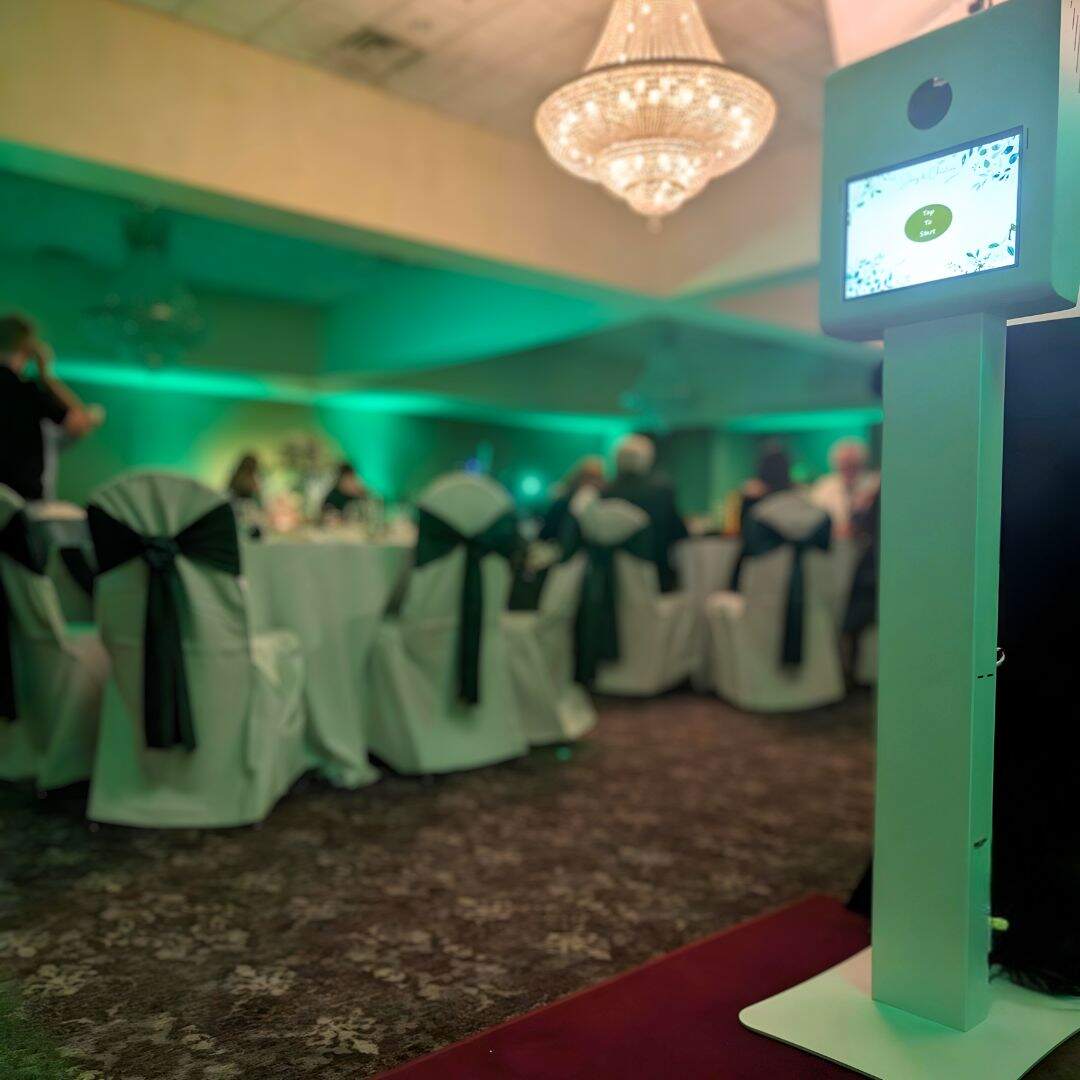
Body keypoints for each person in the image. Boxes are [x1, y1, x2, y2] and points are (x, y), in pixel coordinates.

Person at [0, 314, 103, 501]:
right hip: (21, 500)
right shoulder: (27, 392)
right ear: (26, 348)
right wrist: (46, 376)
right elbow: (80, 421)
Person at [603, 434, 688, 592]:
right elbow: (679, 533)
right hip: (655, 572)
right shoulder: (661, 491)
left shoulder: (604, 491)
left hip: (608, 580)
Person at [810, 437, 878, 539]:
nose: (848, 468)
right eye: (844, 463)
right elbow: (814, 521)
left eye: (853, 464)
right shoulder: (823, 487)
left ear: (862, 462)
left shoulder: (875, 484)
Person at [539, 455, 605, 548]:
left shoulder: (603, 506)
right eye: (588, 477)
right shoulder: (561, 503)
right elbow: (546, 534)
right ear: (577, 477)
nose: (592, 482)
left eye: (597, 478)